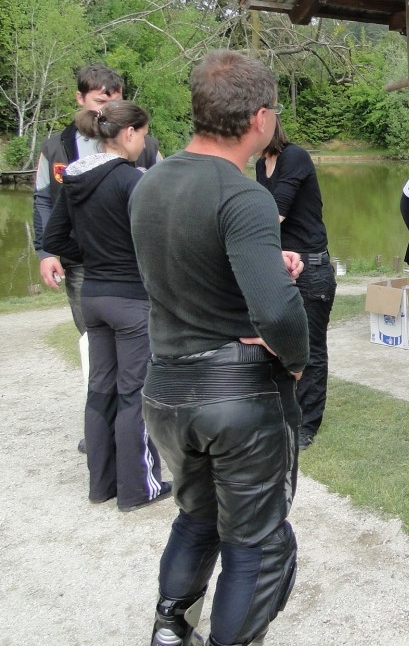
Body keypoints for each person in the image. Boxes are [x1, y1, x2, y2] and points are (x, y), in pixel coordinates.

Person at [129, 50, 309, 646]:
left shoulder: (149, 183)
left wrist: (265, 264)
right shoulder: (244, 195)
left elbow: (184, 266)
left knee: (198, 517)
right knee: (255, 542)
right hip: (236, 399)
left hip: (165, 389)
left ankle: (169, 628)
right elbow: (277, 311)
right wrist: (296, 359)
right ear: (260, 118)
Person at [41, 100, 169, 512]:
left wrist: (95, 255)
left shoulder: (75, 179)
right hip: (130, 300)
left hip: (92, 296)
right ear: (129, 133)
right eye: (143, 135)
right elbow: (158, 239)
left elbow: (54, 239)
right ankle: (138, 490)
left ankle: (102, 485)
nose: (144, 143)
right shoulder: (132, 181)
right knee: (135, 393)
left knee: (100, 389)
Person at [32, 65, 161, 451]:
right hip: (82, 264)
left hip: (132, 268)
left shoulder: (145, 145)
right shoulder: (57, 147)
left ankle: (132, 432)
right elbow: (43, 199)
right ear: (81, 99)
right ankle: (108, 437)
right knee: (96, 346)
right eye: (99, 98)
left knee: (136, 352)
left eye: (114, 97)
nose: (107, 104)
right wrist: (47, 251)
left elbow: (164, 197)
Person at [255, 119, 336, 452]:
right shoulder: (261, 165)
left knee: (310, 350)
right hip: (280, 266)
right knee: (275, 345)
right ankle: (283, 412)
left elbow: (274, 213)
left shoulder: (295, 157)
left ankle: (306, 425)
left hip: (311, 269)